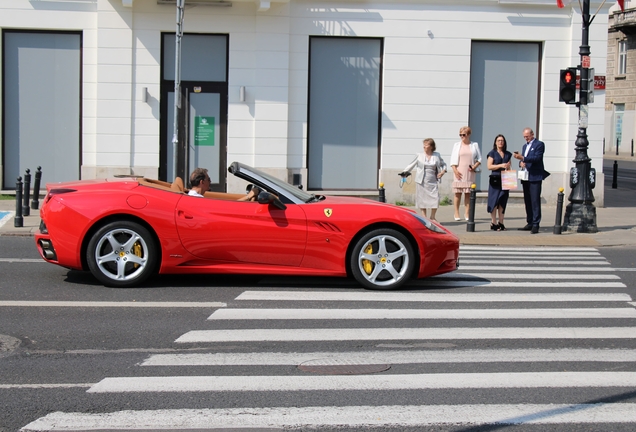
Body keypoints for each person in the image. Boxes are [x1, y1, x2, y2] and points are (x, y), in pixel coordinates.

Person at [402, 138, 447, 221]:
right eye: (424, 144)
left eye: (426, 144)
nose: (424, 146)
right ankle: (424, 217)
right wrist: (404, 173)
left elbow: (443, 164)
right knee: (422, 199)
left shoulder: (436, 155)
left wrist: (443, 171)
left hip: (433, 180)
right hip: (421, 180)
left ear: (431, 146)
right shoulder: (419, 155)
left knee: (435, 198)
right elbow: (411, 164)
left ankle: (433, 217)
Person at [513, 128, 548, 234]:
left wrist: (523, 158)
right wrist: (521, 162)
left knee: (535, 200)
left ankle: (536, 223)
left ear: (532, 134)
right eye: (524, 136)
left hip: (535, 176)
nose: (526, 138)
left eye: (527, 136)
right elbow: (524, 160)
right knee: (527, 200)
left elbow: (536, 158)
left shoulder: (539, 144)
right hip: (526, 176)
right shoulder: (525, 146)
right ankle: (530, 221)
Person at [450, 126, 482, 221]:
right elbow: (452, 160)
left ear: (468, 135)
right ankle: (456, 212)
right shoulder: (456, 145)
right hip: (459, 171)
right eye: (460, 135)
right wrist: (455, 171)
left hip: (469, 172)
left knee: (468, 194)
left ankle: (467, 213)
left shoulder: (474, 145)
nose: (462, 137)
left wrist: (474, 166)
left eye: (463, 135)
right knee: (457, 193)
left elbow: (480, 159)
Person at [486, 134, 512, 231]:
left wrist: (508, 166)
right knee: (494, 200)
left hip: (505, 178)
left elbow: (509, 166)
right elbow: (489, 166)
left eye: (502, 140)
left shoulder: (508, 154)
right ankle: (493, 222)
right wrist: (501, 165)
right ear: (495, 142)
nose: (500, 142)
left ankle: (501, 222)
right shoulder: (492, 153)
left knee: (502, 200)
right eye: (498, 140)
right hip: (495, 178)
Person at [188, 167, 260, 201]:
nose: (210, 182)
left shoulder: (192, 196)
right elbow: (228, 208)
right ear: (202, 182)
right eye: (208, 180)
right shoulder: (198, 200)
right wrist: (249, 196)